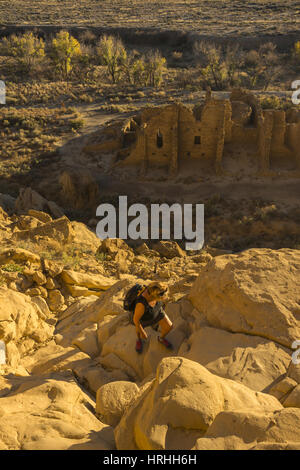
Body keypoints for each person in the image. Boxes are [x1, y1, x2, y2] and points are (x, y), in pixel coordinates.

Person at [132, 281, 173, 354]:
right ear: (155, 297)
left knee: (169, 326)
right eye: (161, 298)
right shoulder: (141, 304)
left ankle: (161, 338)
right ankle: (139, 340)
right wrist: (142, 332)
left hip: (157, 311)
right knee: (139, 331)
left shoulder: (156, 289)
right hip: (145, 318)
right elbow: (136, 320)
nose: (164, 299)